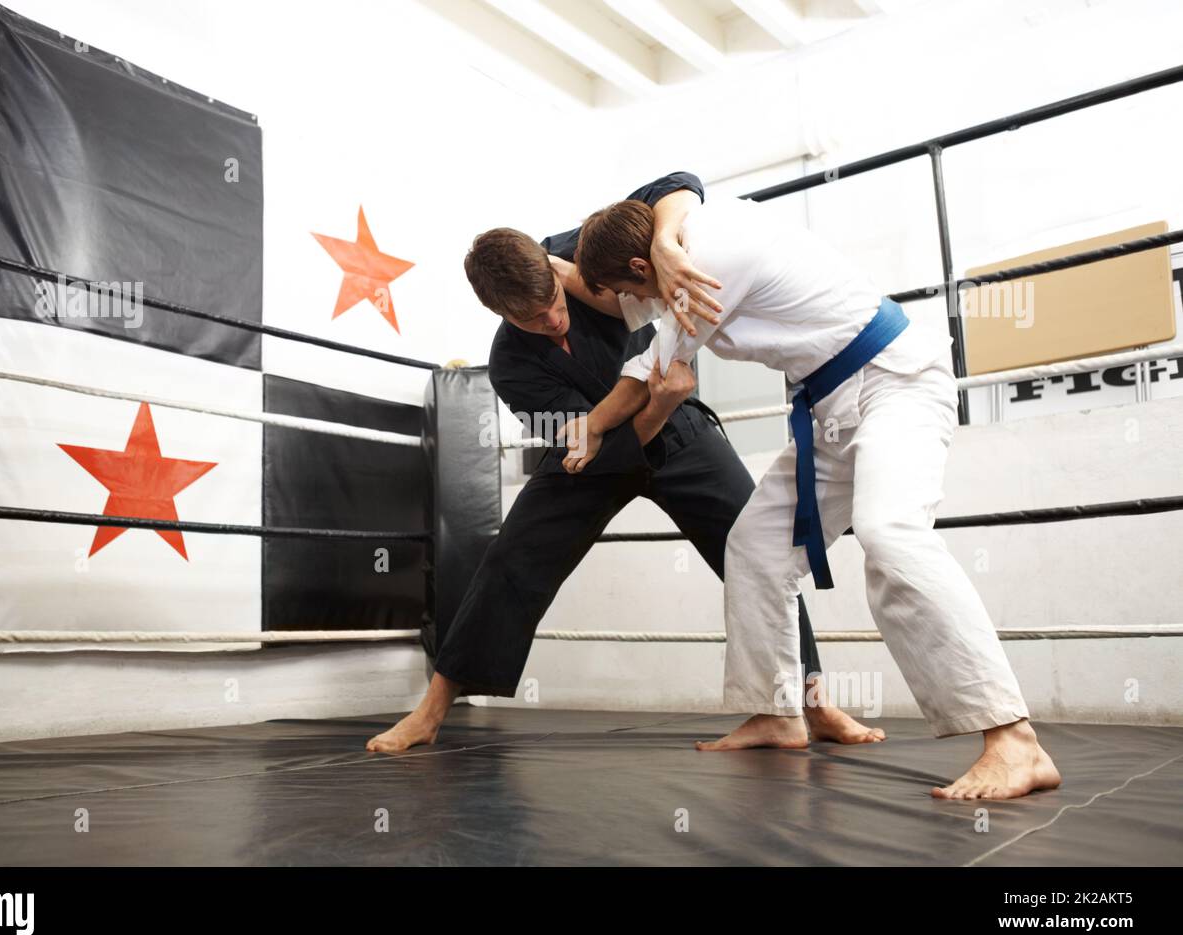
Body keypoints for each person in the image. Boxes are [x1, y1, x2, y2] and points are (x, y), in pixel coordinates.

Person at [366, 173, 883, 753]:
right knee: (511, 559)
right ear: (501, 314)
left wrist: (664, 242)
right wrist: (656, 402)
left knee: (759, 550)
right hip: (590, 458)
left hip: (683, 434)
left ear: (553, 267)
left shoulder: (580, 248)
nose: (553, 321)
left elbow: (677, 183)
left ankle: (813, 703)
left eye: (555, 304)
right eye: (534, 321)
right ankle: (431, 710)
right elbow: (590, 443)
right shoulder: (510, 366)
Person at [569, 195, 1061, 799]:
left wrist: (589, 428)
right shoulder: (683, 237)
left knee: (890, 532)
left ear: (642, 268)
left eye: (629, 289)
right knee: (754, 546)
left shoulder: (710, 257)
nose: (631, 305)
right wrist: (551, 267)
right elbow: (629, 274)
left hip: (893, 383)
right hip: (830, 407)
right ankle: (777, 712)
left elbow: (649, 368)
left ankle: (1015, 742)